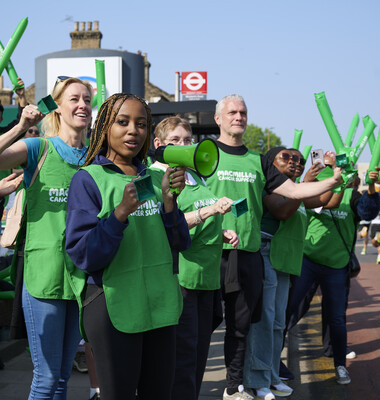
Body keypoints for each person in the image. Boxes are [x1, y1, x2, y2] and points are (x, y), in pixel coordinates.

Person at [204, 94, 343, 400]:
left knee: (242, 326)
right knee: (204, 326)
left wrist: (333, 182)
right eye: (232, 112)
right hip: (209, 252)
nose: (238, 116)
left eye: (243, 112)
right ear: (218, 119)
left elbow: (294, 191)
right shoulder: (205, 152)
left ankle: (236, 387)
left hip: (249, 252)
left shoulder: (257, 160)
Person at [65, 93, 191, 400]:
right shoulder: (88, 179)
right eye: (122, 122)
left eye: (142, 124)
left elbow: (181, 243)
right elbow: (83, 254)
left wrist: (170, 203)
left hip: (160, 307)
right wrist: (119, 215)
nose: (133, 130)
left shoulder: (155, 177)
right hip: (113, 308)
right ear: (105, 127)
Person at [0, 76, 93, 399]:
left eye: (87, 99)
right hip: (43, 275)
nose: (82, 105)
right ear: (57, 108)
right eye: (74, 99)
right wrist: (19, 125)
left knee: (63, 377)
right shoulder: (38, 147)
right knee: (46, 377)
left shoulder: (95, 158)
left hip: (81, 277)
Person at [151, 116, 239, 400]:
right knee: (183, 358)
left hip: (207, 279)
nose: (183, 146)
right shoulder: (154, 178)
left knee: (199, 354)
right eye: (175, 140)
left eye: (187, 140)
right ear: (159, 145)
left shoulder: (195, 175)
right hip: (181, 280)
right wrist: (210, 212)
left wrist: (220, 231)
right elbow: (165, 225)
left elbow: (197, 220)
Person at [287, 155, 380, 386]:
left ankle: (340, 365)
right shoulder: (315, 190)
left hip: (336, 267)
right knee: (290, 310)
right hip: (307, 261)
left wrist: (371, 186)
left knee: (337, 319)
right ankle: (271, 360)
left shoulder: (353, 196)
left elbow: (368, 213)